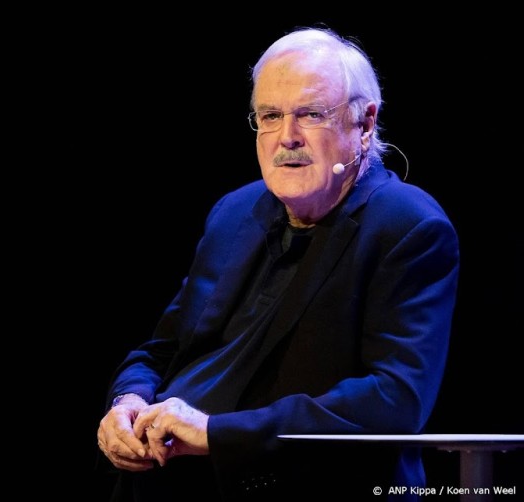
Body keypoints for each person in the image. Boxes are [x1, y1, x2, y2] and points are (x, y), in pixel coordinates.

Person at [96, 27, 459, 501]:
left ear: (364, 123)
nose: (286, 138)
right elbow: (163, 350)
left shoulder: (408, 226)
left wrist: (217, 433)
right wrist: (127, 402)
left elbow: (395, 398)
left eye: (311, 114)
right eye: (270, 116)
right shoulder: (234, 212)